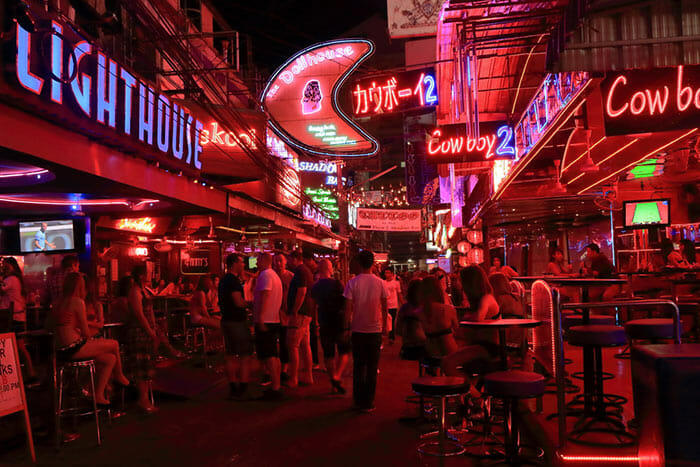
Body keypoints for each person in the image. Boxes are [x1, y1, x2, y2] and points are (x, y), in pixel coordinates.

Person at [54, 272, 130, 406]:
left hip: (61, 350)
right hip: (74, 346)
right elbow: (86, 332)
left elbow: (53, 325)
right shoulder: (77, 302)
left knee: (110, 359)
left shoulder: (59, 302)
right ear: (79, 287)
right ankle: (118, 374)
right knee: (114, 344)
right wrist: (89, 333)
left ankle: (98, 394)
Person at [343, 250, 387, 413]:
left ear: (360, 263)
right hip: (374, 330)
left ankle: (359, 400)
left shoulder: (353, 283)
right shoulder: (380, 282)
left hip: (358, 329)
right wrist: (385, 328)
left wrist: (346, 327)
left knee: (359, 366)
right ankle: (369, 402)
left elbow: (347, 308)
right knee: (372, 366)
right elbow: (384, 307)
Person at [441, 266, 499, 380]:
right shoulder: (480, 300)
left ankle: (474, 395)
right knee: (448, 359)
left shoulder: (487, 298)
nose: (461, 286)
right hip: (478, 345)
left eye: (462, 281)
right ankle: (470, 391)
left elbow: (478, 317)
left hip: (488, 347)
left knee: (447, 363)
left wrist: (465, 318)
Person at [311, 259, 349, 394]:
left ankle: (332, 381)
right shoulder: (338, 284)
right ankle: (337, 376)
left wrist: (315, 322)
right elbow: (346, 302)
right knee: (344, 351)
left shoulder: (315, 286)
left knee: (328, 354)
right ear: (330, 269)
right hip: (339, 321)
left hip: (324, 321)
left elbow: (313, 306)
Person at [219, 254, 252, 400]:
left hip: (226, 320)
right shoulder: (232, 281)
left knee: (231, 355)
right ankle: (243, 389)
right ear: (234, 264)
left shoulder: (224, 280)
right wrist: (252, 304)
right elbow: (239, 302)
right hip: (237, 321)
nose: (244, 264)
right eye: (241, 262)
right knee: (245, 355)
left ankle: (233, 388)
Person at [125, 268, 159, 413]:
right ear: (140, 276)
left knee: (147, 365)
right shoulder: (135, 291)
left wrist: (154, 328)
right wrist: (151, 331)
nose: (149, 277)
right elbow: (139, 315)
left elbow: (149, 312)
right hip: (139, 332)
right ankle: (143, 399)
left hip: (148, 331)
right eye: (146, 274)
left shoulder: (144, 290)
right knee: (141, 366)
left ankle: (145, 398)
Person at [253, 253, 284, 400]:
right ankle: (276, 384)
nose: (256, 263)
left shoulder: (265, 276)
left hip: (267, 320)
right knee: (273, 354)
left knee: (269, 355)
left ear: (264, 261)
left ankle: (276, 387)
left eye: (258, 260)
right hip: (274, 319)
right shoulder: (275, 276)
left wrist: (260, 318)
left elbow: (265, 295)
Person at [1, 257, 36, 382]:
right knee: (19, 346)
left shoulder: (11, 279)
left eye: (6, 266)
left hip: (12, 317)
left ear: (12, 267)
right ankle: (29, 374)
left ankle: (28, 374)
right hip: (17, 316)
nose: (3, 268)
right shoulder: (15, 279)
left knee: (17, 347)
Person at [286, 250, 315, 387]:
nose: (288, 263)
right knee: (305, 345)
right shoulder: (307, 271)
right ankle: (308, 376)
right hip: (307, 313)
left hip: (300, 314)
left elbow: (302, 292)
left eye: (289, 260)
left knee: (293, 345)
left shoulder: (300, 272)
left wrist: (294, 310)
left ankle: (294, 378)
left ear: (295, 259)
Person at [273, 253, 294, 382]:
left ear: (285, 262)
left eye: (280, 260)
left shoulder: (290, 277)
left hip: (285, 315)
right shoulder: (271, 276)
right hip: (273, 314)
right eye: (276, 261)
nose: (278, 263)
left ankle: (284, 369)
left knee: (285, 342)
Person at [395, 279, 426, 360]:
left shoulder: (404, 308)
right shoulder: (425, 308)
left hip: (407, 348)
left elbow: (398, 330)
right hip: (424, 347)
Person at [382, 268, 403, 343]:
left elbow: (399, 293)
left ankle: (391, 337)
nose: (387, 274)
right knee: (384, 320)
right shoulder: (382, 282)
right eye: (385, 272)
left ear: (392, 274)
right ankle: (385, 334)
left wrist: (402, 302)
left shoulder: (396, 283)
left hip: (393, 305)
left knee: (392, 321)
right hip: (384, 305)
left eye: (388, 272)